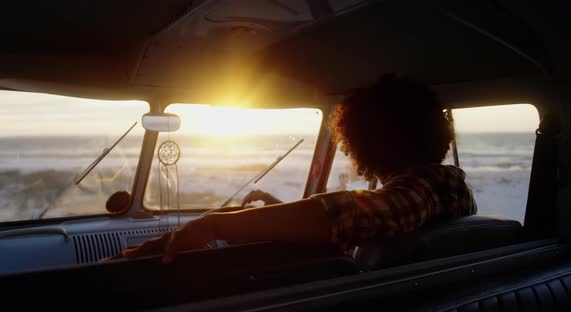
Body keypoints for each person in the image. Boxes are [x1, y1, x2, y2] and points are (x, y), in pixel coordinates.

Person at [117, 74, 477, 263]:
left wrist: (212, 223)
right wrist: (275, 209)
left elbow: (357, 213)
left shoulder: (424, 191)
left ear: (363, 143)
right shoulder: (451, 189)